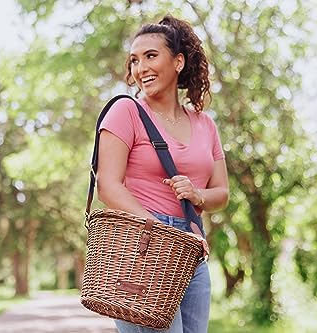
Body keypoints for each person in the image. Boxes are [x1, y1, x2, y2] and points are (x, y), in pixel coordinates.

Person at [96, 14, 229, 333]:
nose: (140, 68)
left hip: (191, 248)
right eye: (134, 60)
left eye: (151, 56)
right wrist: (153, 227)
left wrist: (198, 195)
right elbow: (108, 185)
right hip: (142, 245)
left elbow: (221, 194)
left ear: (178, 62)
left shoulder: (204, 124)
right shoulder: (126, 112)